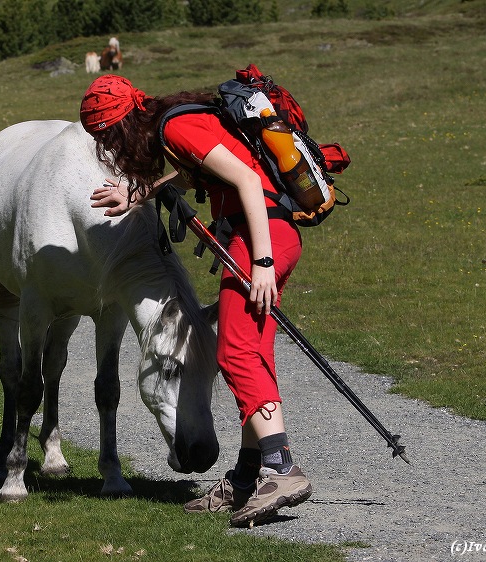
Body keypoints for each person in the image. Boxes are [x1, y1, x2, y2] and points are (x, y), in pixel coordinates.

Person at [80, 74, 313, 528]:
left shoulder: (174, 128)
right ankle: (246, 479)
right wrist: (136, 194)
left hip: (258, 237)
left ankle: (281, 468)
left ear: (120, 125)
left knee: (236, 353)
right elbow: (190, 175)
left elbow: (246, 179)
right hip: (266, 235)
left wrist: (262, 261)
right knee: (253, 351)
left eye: (106, 137)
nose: (108, 148)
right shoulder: (174, 125)